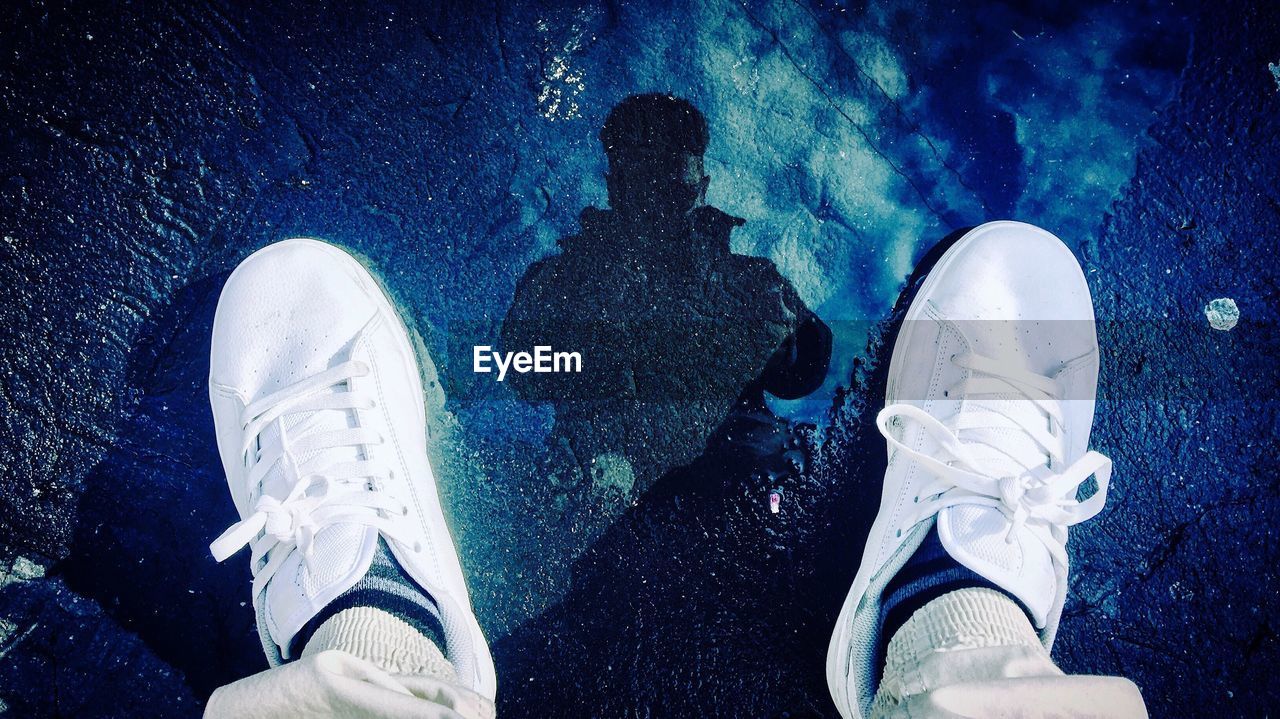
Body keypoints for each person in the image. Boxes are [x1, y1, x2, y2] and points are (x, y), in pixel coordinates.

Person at [204, 221, 1147, 717]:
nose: (660, 168)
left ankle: (373, 634)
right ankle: (948, 614)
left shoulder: (738, 268)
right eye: (641, 147)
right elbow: (523, 362)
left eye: (674, 147)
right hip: (602, 468)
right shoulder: (574, 264)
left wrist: (765, 314)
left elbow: (805, 364)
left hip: (733, 467)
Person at [501, 94, 831, 499]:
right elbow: (516, 370)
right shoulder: (561, 285)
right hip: (603, 505)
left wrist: (781, 343)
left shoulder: (752, 283)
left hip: (739, 506)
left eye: (673, 189)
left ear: (700, 188)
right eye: (643, 189)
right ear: (615, 189)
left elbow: (804, 375)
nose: (657, 208)